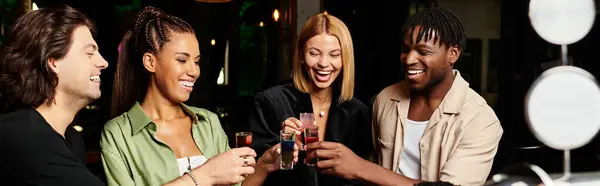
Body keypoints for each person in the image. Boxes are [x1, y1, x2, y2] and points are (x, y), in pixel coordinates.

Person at [305, 7, 503, 186]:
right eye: (406, 49)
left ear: (453, 54)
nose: (409, 59)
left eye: (423, 51)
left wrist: (361, 168)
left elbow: (368, 170)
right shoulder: (384, 99)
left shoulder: (480, 120)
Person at [101, 6, 296, 186]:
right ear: (150, 62)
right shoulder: (118, 134)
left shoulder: (208, 123)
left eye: (196, 61)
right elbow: (209, 175)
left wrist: (264, 166)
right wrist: (207, 174)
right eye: (182, 60)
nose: (194, 71)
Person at [249, 13, 372, 186]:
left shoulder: (357, 111)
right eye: (314, 53)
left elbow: (361, 177)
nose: (324, 63)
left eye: (334, 54)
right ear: (300, 55)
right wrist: (284, 147)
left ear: (345, 59)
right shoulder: (270, 102)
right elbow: (253, 174)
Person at [0, 5, 108, 185]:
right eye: (89, 53)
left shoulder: (72, 139)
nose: (103, 62)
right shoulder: (22, 135)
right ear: (53, 62)